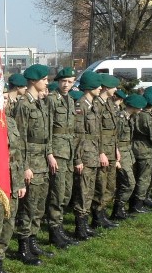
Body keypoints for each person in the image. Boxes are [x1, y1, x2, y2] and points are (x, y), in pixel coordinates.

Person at [14, 64, 54, 259]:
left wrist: (49, 154)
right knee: (28, 205)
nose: (47, 82)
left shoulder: (39, 103)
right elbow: (20, 138)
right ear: (33, 81)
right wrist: (25, 166)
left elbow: (45, 135)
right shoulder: (24, 105)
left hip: (42, 161)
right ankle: (23, 246)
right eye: (44, 79)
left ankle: (33, 241)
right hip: (31, 161)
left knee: (39, 204)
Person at [0, 91, 25, 273]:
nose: (4, 101)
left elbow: (18, 154)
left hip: (12, 180)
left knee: (8, 226)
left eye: (5, 97)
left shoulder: (10, 121)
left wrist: (19, 183)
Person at [44, 67, 78, 248]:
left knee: (66, 192)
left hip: (68, 151)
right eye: (63, 81)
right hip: (57, 151)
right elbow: (47, 128)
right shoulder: (52, 100)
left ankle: (60, 227)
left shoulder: (71, 101)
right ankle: (54, 230)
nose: (66, 85)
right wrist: (49, 153)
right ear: (58, 82)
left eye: (70, 82)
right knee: (57, 193)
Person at [71, 71, 104, 240]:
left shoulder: (95, 104)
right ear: (90, 86)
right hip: (84, 155)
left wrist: (100, 153)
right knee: (83, 191)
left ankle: (85, 223)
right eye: (97, 85)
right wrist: (77, 159)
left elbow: (97, 133)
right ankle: (80, 226)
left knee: (90, 190)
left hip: (93, 154)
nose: (100, 88)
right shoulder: (81, 106)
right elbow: (78, 135)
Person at [91, 74, 121, 230]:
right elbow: (97, 132)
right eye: (114, 86)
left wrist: (116, 149)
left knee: (110, 185)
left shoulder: (109, 103)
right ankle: (97, 216)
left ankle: (102, 213)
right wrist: (100, 152)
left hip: (111, 149)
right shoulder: (97, 105)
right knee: (100, 185)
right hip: (102, 150)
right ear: (107, 88)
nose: (116, 90)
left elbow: (113, 130)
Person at [111, 92, 145, 219]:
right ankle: (117, 210)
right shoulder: (120, 118)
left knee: (126, 183)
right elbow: (114, 138)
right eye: (139, 107)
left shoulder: (129, 117)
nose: (141, 109)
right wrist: (116, 158)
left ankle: (119, 210)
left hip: (128, 153)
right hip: (121, 154)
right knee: (129, 183)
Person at [129, 87, 152, 213]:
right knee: (144, 177)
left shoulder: (135, 114)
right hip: (145, 148)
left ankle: (134, 201)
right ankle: (138, 204)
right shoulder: (148, 117)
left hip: (133, 146)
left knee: (135, 175)